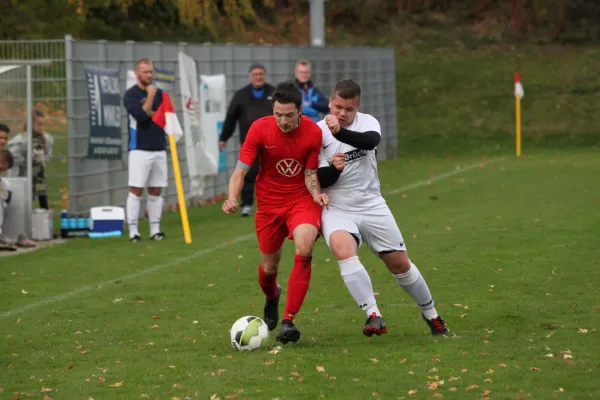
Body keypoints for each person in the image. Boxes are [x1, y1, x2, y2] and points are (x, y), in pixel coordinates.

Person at [316, 79, 448, 337]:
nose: (342, 113)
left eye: (349, 109)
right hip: (337, 207)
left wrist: (339, 133)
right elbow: (319, 178)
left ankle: (432, 314)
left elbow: (369, 141)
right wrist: (333, 169)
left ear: (358, 108)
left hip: (371, 204)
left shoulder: (367, 122)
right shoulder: (317, 132)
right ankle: (373, 314)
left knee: (400, 264)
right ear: (330, 103)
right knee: (344, 250)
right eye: (338, 107)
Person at [222, 80, 328, 344]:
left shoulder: (313, 132)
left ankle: (288, 321)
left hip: (301, 200)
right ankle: (272, 296)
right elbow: (240, 170)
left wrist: (316, 194)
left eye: (289, 115)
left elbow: (310, 173)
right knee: (269, 267)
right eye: (278, 114)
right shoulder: (259, 129)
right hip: (268, 205)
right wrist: (232, 197)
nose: (283, 121)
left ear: (301, 110)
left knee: (304, 247)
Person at [219, 63, 275, 217]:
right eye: (255, 74)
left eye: (261, 74)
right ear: (250, 76)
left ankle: (272, 203)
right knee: (247, 173)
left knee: (271, 173)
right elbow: (231, 117)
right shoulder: (241, 95)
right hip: (249, 142)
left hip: (273, 143)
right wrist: (224, 137)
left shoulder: (273, 93)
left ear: (264, 75)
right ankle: (247, 205)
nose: (258, 77)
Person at [123, 57, 167, 242]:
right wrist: (149, 97)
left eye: (150, 71)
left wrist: (150, 111)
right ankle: (133, 230)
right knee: (136, 189)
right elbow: (141, 116)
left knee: (156, 189)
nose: (149, 75)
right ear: (137, 73)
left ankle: (155, 229)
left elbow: (163, 115)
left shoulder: (161, 94)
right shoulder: (131, 95)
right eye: (145, 71)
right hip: (139, 148)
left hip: (159, 147)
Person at [7, 110, 54, 210]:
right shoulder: (22, 141)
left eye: (43, 125)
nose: (42, 127)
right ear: (30, 124)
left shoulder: (46, 139)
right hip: (21, 180)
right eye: (39, 124)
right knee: (21, 209)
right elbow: (12, 160)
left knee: (42, 207)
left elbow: (46, 156)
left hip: (38, 179)